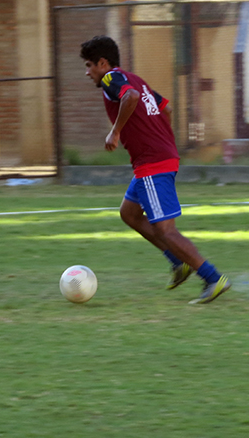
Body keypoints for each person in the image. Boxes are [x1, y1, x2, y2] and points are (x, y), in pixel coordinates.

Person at [80, 35, 230, 304]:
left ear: (103, 63)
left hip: (152, 162)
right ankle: (178, 262)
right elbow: (166, 108)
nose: (87, 72)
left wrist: (116, 132)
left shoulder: (111, 80)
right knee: (129, 213)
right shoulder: (135, 78)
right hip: (159, 157)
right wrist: (157, 136)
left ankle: (212, 278)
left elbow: (131, 97)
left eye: (89, 65)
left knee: (165, 230)